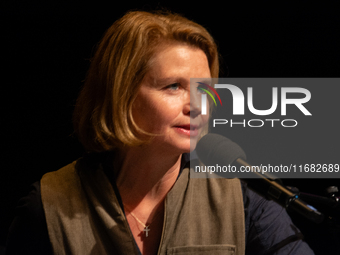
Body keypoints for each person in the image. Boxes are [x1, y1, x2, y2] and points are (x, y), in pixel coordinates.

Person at [6, 10, 315, 255]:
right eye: (173, 86)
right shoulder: (49, 205)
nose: (196, 106)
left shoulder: (244, 204)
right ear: (121, 94)